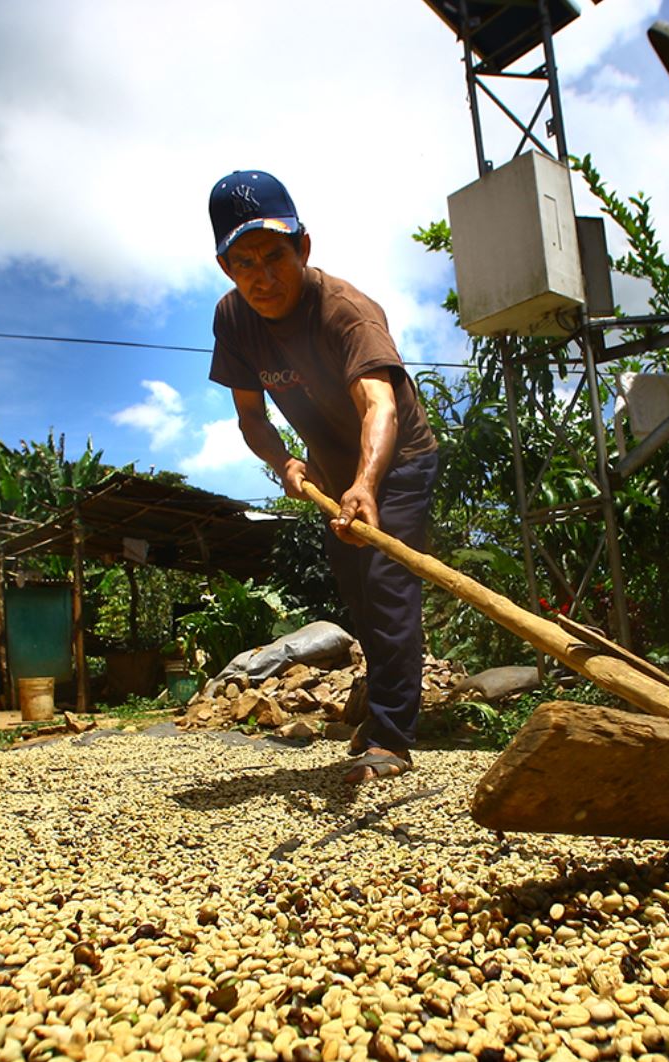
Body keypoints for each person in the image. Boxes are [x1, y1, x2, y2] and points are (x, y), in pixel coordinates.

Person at [207, 170, 440, 783]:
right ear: (227, 267)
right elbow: (250, 417)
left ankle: (391, 737)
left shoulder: (346, 311)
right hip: (334, 478)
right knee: (359, 593)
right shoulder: (233, 319)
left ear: (302, 248)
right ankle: (384, 709)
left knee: (390, 588)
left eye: (275, 256)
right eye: (244, 261)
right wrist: (283, 462)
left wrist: (366, 484)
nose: (263, 276)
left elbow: (379, 406)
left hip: (398, 462)